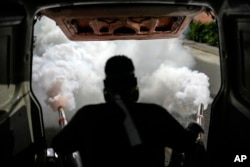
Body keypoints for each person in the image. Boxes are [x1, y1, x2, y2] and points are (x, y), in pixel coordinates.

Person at [51, 55, 204, 167]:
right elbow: (185, 145)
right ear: (134, 85)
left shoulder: (87, 115)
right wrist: (192, 128)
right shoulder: (155, 114)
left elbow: (59, 146)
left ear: (106, 87)